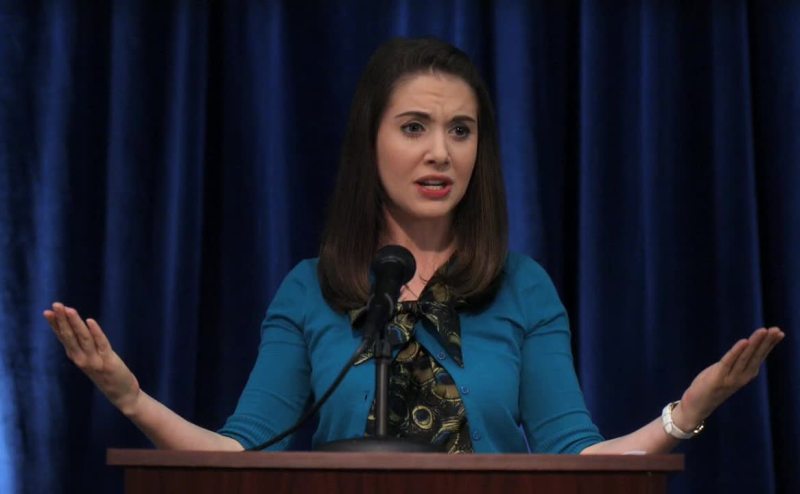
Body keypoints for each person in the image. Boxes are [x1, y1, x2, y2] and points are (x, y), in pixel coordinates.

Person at [43, 37, 784, 454]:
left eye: (461, 131)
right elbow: (242, 453)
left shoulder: (523, 287)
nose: (440, 153)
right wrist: (132, 399)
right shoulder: (310, 288)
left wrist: (684, 413)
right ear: (370, 144)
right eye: (414, 128)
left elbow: (576, 458)